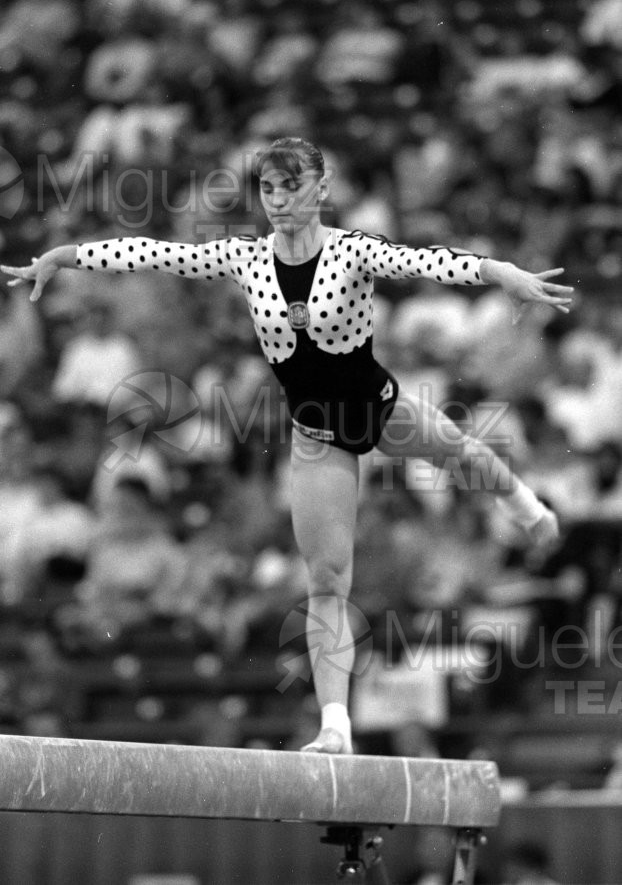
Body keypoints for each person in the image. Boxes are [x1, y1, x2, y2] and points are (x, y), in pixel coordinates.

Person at [1, 136, 573, 754]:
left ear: (321, 188)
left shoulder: (352, 250)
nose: (278, 200)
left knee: (462, 452)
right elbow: (153, 253)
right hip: (317, 433)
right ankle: (335, 726)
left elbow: (429, 261)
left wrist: (501, 272)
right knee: (327, 581)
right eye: (268, 189)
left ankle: (527, 509)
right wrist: (66, 254)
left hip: (377, 408)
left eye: (291, 186)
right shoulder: (245, 258)